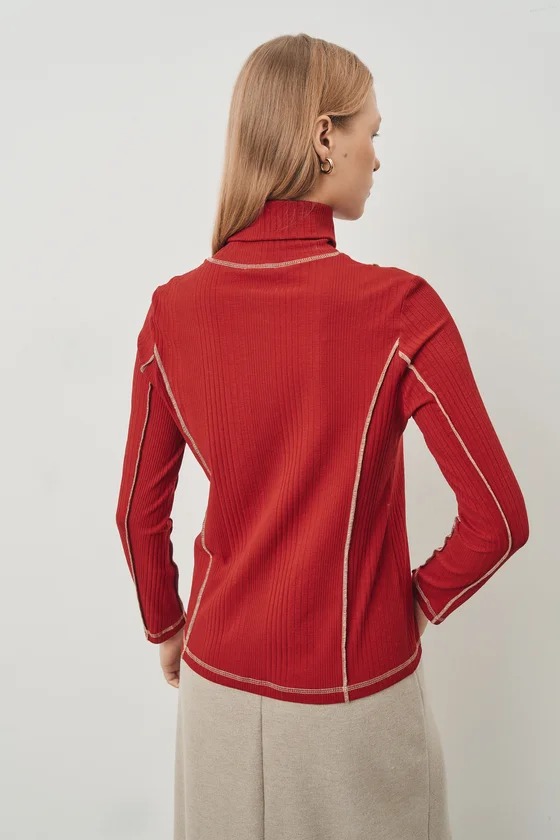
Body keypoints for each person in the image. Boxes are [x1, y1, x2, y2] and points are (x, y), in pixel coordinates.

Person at [115, 33, 529, 840]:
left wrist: (167, 626)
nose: (377, 156)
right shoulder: (400, 311)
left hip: (215, 700)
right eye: (371, 132)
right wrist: (409, 606)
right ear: (323, 136)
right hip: (354, 707)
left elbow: (137, 515)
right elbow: (500, 518)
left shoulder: (172, 312)